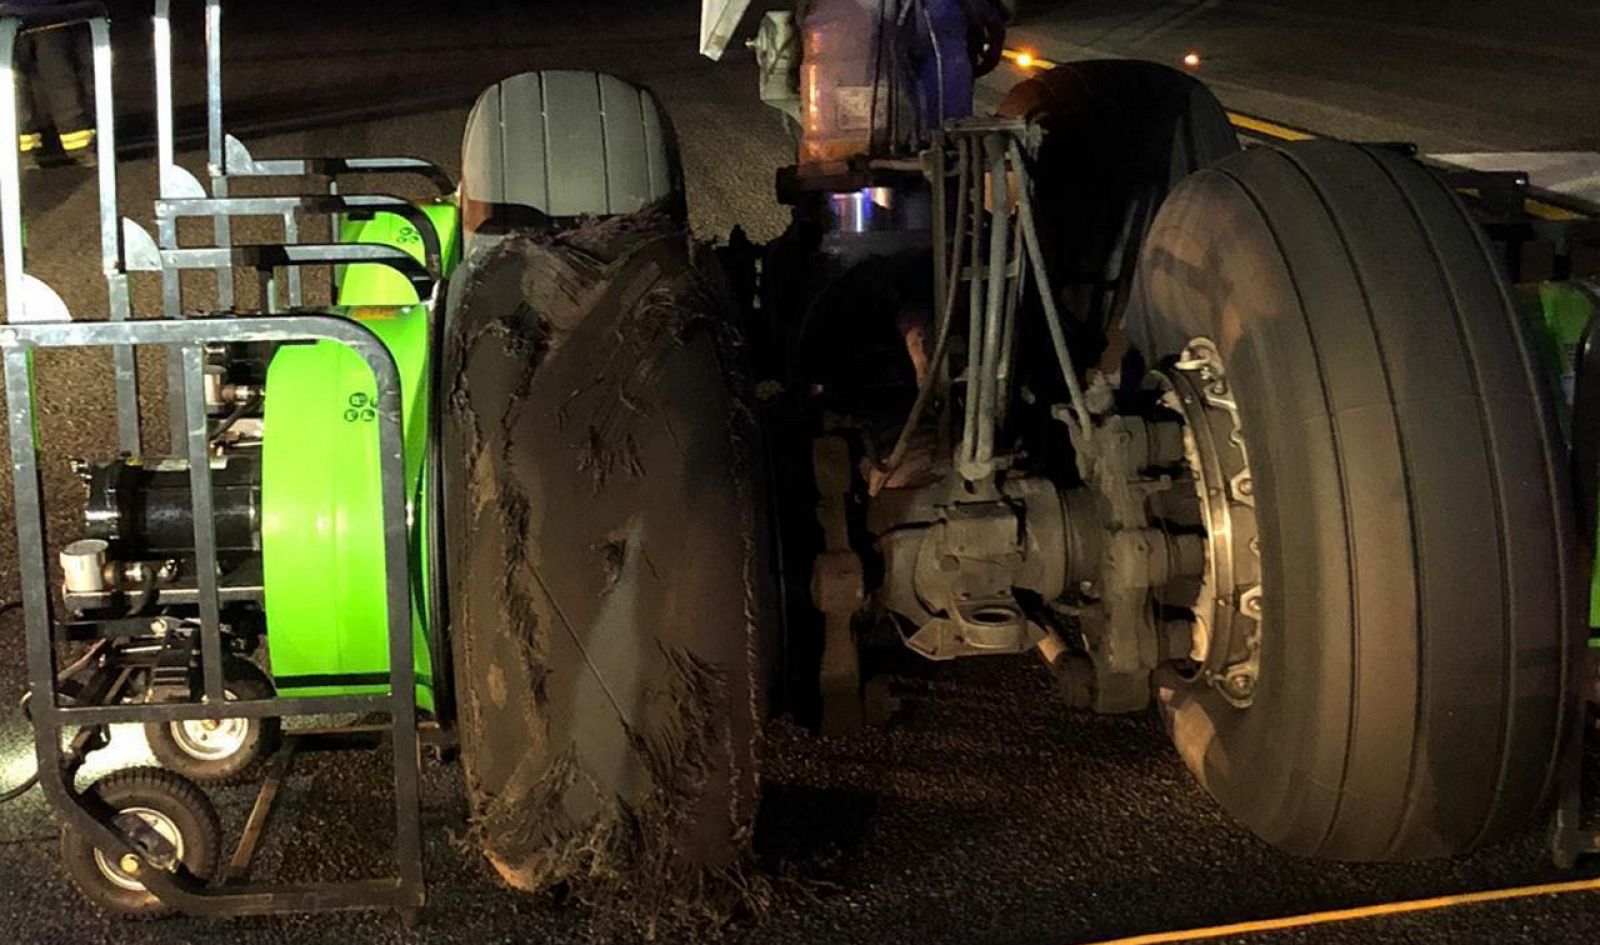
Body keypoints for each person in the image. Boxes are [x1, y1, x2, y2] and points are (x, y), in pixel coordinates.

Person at [3, 2, 96, 167]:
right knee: (18, 84)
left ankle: (79, 146)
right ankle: (24, 151)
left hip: (44, 14)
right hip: (44, 12)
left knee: (56, 78)